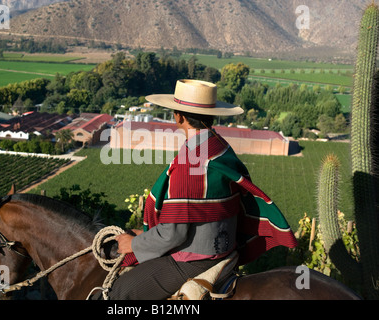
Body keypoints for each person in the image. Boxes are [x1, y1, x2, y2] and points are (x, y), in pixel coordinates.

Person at [107, 79, 297, 300]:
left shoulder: (189, 165)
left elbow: (174, 234)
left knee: (119, 293)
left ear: (179, 117)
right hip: (225, 246)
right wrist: (148, 236)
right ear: (211, 116)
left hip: (195, 259)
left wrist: (134, 243)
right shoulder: (219, 146)